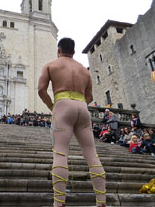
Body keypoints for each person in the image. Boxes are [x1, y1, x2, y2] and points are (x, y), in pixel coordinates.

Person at [38, 38, 106, 207]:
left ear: (58, 50)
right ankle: (101, 201)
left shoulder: (51, 65)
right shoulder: (84, 70)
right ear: (74, 52)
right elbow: (90, 96)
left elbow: (41, 90)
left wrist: (52, 106)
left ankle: (59, 202)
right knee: (92, 154)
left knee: (60, 152)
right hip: (82, 107)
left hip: (62, 104)